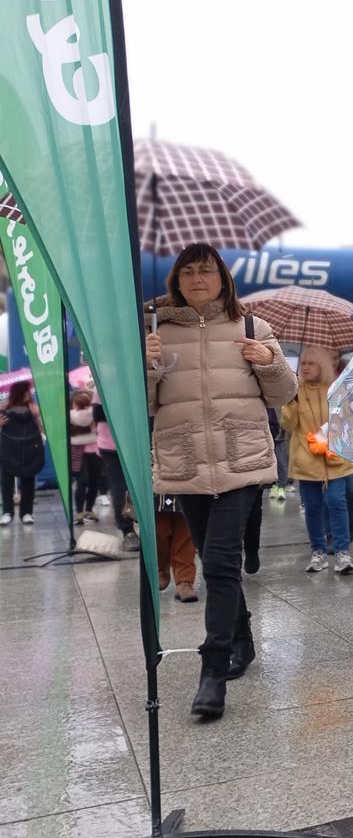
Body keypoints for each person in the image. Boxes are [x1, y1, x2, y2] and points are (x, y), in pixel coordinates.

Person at [145, 243, 297, 719]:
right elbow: (145, 406)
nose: (196, 279)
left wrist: (267, 360)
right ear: (176, 280)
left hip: (241, 460)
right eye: (187, 272)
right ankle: (243, 639)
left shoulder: (252, 326)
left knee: (220, 562)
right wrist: (146, 369)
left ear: (223, 278)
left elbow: (285, 393)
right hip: (186, 461)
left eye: (206, 271)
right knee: (216, 560)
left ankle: (212, 671)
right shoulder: (157, 331)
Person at [281, 346, 353, 575]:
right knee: (312, 507)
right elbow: (288, 424)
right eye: (303, 363)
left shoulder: (335, 390)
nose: (305, 367)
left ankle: (343, 552)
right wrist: (291, 400)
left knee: (336, 502)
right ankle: (318, 551)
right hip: (307, 460)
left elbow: (346, 420)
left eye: (311, 363)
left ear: (322, 366)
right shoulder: (295, 391)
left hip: (335, 457)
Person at [93, 393, 137, 550]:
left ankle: (136, 530)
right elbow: (98, 414)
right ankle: (128, 531)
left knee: (138, 488)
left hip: (135, 442)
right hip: (113, 447)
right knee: (119, 490)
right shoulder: (101, 389)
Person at [0, 381, 44, 526]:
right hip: (8, 450)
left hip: (29, 449)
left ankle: (26, 513)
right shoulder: (3, 408)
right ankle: (7, 512)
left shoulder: (34, 408)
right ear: (20, 392)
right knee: (6, 481)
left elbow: (44, 430)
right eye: (27, 391)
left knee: (28, 480)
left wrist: (38, 417)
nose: (29, 394)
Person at [69, 389, 101, 526]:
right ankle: (89, 510)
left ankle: (79, 512)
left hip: (77, 450)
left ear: (74, 404)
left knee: (81, 482)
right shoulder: (93, 414)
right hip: (95, 449)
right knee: (94, 482)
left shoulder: (69, 416)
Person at [156, 496, 197, 603]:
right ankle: (162, 568)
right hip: (155, 486)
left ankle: (184, 581)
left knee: (185, 531)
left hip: (186, 485)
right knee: (159, 531)